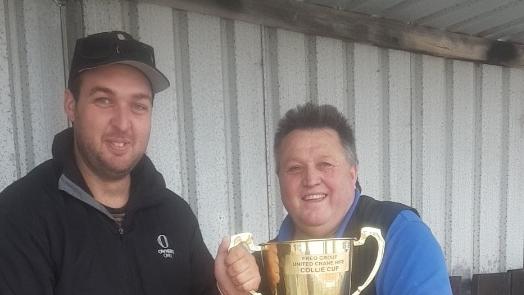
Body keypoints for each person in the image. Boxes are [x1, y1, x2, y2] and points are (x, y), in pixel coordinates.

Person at [0, 31, 259, 295]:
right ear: (71, 105)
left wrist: (227, 291)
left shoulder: (175, 216)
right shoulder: (21, 215)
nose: (122, 124)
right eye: (104, 100)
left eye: (138, 106)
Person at [266, 102, 452, 294]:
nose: (311, 180)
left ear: (352, 173)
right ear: (279, 178)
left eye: (325, 164)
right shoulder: (266, 261)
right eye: (295, 168)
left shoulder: (400, 234)